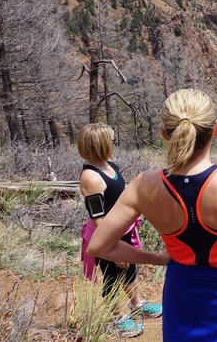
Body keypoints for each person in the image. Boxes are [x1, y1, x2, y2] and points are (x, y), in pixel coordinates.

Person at [88, 89, 217, 342]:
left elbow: (98, 245)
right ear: (215, 129)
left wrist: (158, 259)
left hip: (183, 292)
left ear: (164, 133)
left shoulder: (145, 185)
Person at [77, 123, 163, 338]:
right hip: (105, 235)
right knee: (112, 275)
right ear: (101, 144)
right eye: (112, 140)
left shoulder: (109, 166)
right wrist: (113, 246)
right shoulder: (91, 177)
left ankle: (137, 304)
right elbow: (98, 218)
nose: (114, 144)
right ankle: (117, 317)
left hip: (121, 230)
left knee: (129, 269)